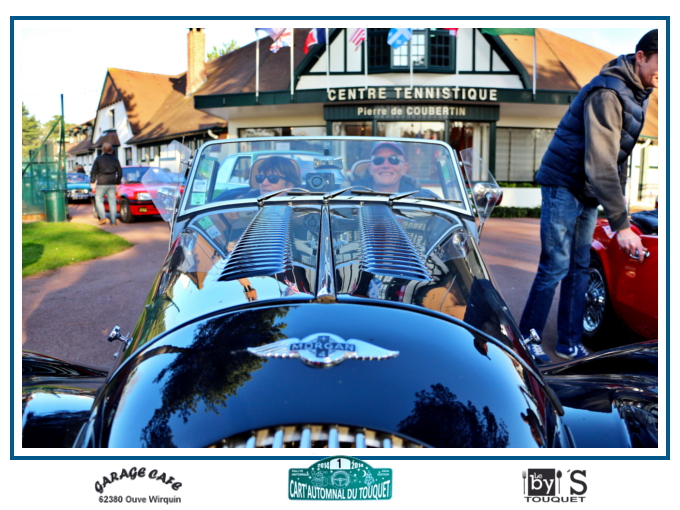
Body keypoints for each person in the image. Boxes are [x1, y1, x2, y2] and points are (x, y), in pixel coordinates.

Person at [520, 30, 658, 363]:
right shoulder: (608, 92)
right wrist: (621, 225)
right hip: (564, 182)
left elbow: (618, 157)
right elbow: (600, 161)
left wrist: (620, 210)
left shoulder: (639, 92)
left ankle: (568, 341)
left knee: (580, 266)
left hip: (588, 187)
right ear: (641, 57)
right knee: (555, 264)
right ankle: (527, 338)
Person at [90, 143, 123, 225]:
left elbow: (93, 171)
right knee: (112, 202)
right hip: (112, 183)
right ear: (111, 151)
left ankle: (102, 218)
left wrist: (92, 182)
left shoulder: (98, 159)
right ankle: (113, 221)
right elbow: (120, 173)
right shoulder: (115, 160)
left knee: (99, 200)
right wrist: (117, 182)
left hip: (101, 183)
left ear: (102, 150)